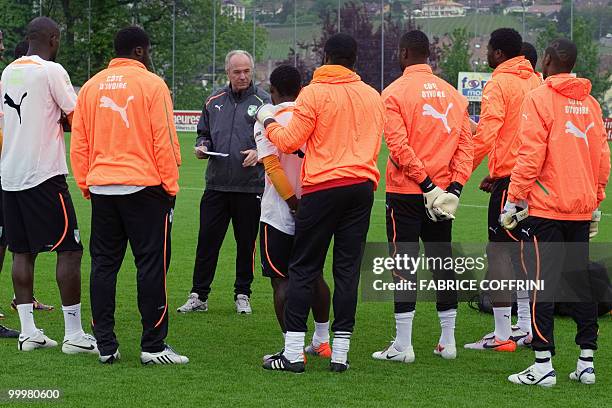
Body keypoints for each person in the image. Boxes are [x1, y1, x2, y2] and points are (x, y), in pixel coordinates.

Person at [257, 33, 385, 373]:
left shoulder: (313, 93)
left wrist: (267, 121)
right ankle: (340, 353)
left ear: (325, 56)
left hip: (323, 185)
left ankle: (294, 353)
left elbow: (289, 140)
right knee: (346, 272)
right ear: (354, 59)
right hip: (361, 186)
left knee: (304, 268)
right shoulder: (373, 95)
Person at [71, 26, 186, 365]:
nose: (149, 56)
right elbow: (163, 139)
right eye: (148, 50)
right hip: (144, 188)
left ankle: (105, 344)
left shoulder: (91, 87)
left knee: (104, 266)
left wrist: (86, 184)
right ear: (139, 51)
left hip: (103, 186)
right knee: (151, 265)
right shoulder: (152, 84)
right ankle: (153, 346)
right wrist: (171, 186)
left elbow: (79, 142)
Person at [503, 38, 609, 387]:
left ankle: (542, 363)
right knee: (579, 284)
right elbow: (602, 159)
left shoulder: (540, 97)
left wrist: (514, 197)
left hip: (547, 209)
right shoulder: (591, 104)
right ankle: (586, 363)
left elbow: (530, 154)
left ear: (546, 61)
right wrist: (595, 199)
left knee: (540, 286)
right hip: (579, 208)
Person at [371, 30, 473, 363]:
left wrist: (426, 184)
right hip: (443, 194)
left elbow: (399, 149)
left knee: (403, 264)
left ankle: (403, 346)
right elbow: (465, 147)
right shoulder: (454, 95)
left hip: (407, 192)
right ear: (428, 54)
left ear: (403, 53)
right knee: (442, 263)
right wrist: (454, 188)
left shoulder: (395, 92)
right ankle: (448, 343)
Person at [0, 17, 96, 353]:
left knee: (21, 252)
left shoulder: (8, 71)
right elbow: (77, 115)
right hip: (43, 176)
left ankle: (29, 333)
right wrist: (62, 118)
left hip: (9, 177)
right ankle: (73, 335)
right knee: (70, 249)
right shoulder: (52, 71)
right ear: (53, 39)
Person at [465, 28, 541, 352]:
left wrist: (458, 176)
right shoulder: (536, 81)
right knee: (521, 254)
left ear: (497, 53)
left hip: (511, 182)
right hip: (532, 180)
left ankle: (500, 336)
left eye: (488, 49)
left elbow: (486, 133)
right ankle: (524, 327)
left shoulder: (499, 82)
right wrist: (494, 174)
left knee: (498, 254)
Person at [177, 50, 270, 315]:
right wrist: (201, 147)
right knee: (207, 242)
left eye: (247, 71)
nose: (242, 76)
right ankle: (199, 295)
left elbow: (275, 142)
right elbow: (202, 134)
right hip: (216, 185)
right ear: (227, 73)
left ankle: (243, 294)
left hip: (250, 187)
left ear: (252, 71)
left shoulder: (263, 102)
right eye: (237, 72)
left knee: (246, 244)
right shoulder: (214, 100)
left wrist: (259, 153)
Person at [255, 65, 332, 360]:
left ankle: (292, 348)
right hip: (315, 205)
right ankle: (322, 340)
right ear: (301, 90)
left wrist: (291, 203)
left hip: (278, 212)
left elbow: (272, 167)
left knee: (281, 280)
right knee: (314, 276)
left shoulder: (268, 118)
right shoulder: (312, 115)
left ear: (272, 91)